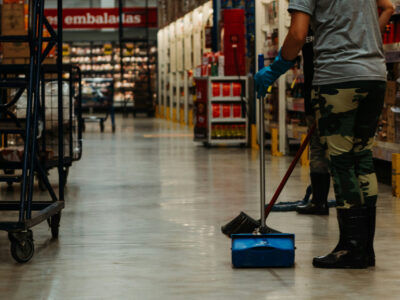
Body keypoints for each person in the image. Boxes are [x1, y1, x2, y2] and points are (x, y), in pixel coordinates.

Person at [255, 0, 394, 269]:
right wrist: (365, 48)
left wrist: (277, 68)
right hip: (374, 76)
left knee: (342, 162)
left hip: (338, 79)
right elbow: (386, 6)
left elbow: (297, 33)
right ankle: (365, 248)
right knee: (362, 159)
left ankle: (351, 248)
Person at [295, 29, 331, 216]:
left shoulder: (305, 24)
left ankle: (319, 202)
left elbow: (294, 42)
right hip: (339, 90)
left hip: (316, 94)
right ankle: (347, 202)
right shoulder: (335, 19)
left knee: (317, 149)